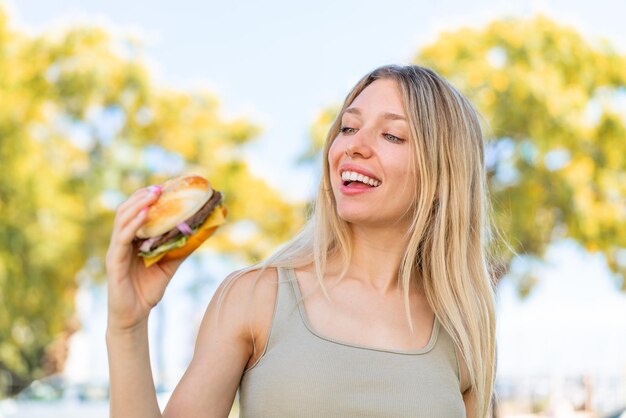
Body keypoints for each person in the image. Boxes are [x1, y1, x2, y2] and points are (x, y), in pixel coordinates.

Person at [106, 64, 497, 418]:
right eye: (347, 127)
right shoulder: (257, 297)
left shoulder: (463, 331)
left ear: (444, 175)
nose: (354, 145)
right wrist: (128, 326)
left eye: (392, 135)